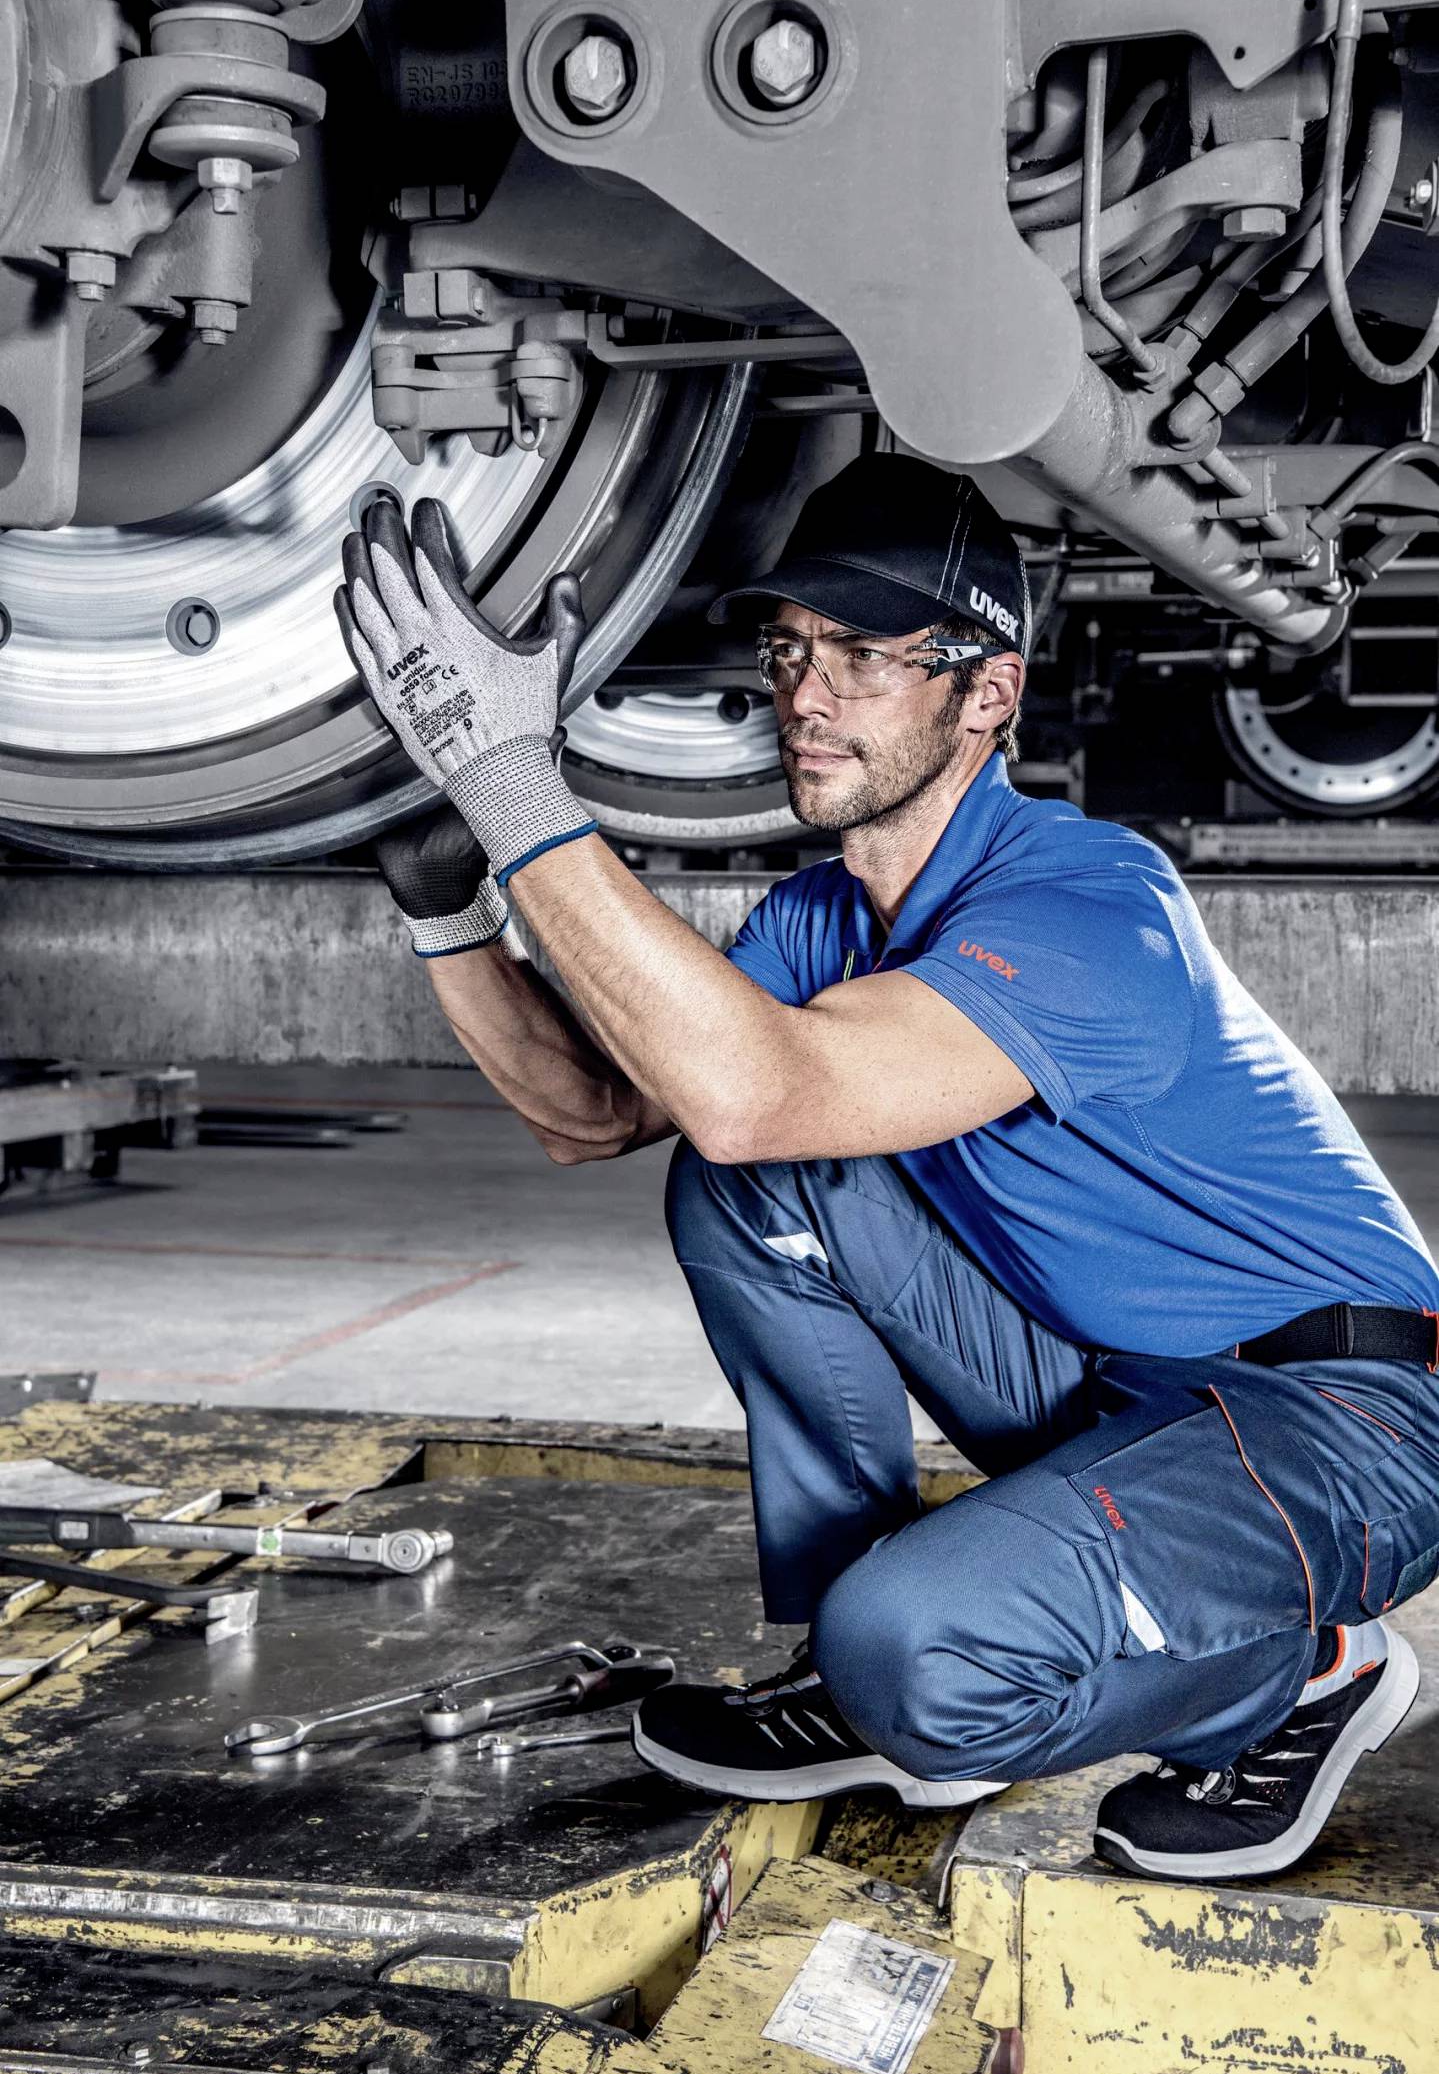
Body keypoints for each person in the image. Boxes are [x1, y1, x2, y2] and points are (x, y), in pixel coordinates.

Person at [336, 455, 1439, 1882]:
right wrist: (451, 909)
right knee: (748, 1188)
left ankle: (1296, 1679)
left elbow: (753, 1092)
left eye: (862, 655)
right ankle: (841, 1666)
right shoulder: (823, 918)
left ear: (988, 694)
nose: (806, 693)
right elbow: (599, 1113)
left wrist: (508, 779)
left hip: (1340, 1418)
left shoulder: (1091, 904)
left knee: (920, 1653)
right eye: (790, 649)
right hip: (1118, 1383)